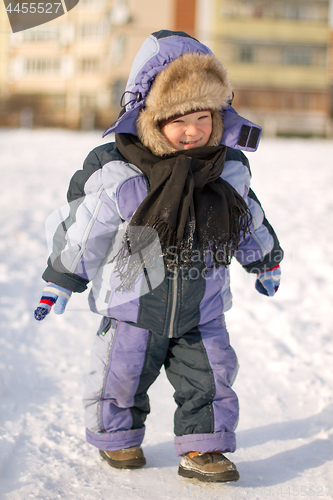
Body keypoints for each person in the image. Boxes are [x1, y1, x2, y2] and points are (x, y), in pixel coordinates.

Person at [34, 30, 283, 483]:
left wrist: (264, 259)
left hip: (201, 306)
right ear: (149, 118)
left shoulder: (226, 169)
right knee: (120, 378)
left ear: (219, 115)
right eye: (177, 117)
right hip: (133, 304)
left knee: (210, 380)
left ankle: (204, 448)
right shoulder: (120, 170)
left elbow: (250, 217)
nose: (193, 130)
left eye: (203, 116)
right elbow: (85, 229)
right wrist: (61, 279)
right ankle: (118, 436)